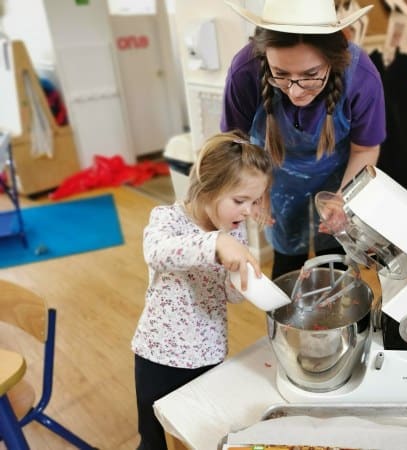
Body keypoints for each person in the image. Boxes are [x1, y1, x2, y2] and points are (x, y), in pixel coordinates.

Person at [222, 0, 386, 280]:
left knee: (332, 268)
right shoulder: (245, 70)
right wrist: (252, 191)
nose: (295, 93)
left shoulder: (361, 75)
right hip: (276, 182)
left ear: (333, 61)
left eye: (310, 75)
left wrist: (343, 199)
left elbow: (365, 148)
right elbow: (236, 144)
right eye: (281, 75)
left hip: (338, 178)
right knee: (287, 265)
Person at [131, 131, 273, 450]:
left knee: (196, 434)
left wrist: (243, 279)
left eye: (254, 202)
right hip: (160, 355)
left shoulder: (233, 234)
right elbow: (157, 252)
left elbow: (231, 294)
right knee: (155, 441)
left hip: (209, 353)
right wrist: (215, 243)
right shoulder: (166, 219)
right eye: (240, 201)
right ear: (207, 189)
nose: (249, 211)